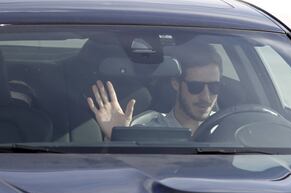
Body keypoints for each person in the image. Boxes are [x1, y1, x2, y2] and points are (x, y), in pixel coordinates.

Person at [87, 43, 222, 139]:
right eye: (195, 87)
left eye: (214, 87)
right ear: (176, 84)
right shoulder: (146, 129)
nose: (206, 97)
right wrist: (118, 137)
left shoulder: (231, 127)